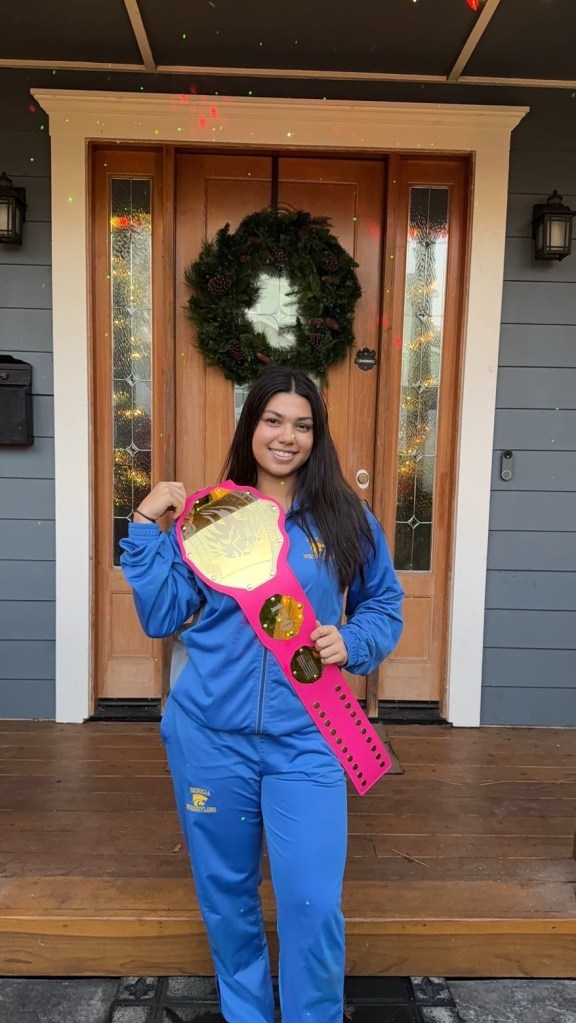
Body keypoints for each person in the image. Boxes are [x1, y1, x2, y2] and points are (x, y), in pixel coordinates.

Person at [120, 367, 403, 1023]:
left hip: (309, 737)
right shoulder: (212, 515)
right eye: (274, 420)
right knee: (227, 899)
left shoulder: (346, 518)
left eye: (302, 425)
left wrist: (352, 640)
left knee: (312, 902)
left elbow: (384, 604)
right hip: (209, 738)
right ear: (251, 426)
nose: (286, 436)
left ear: (317, 436)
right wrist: (143, 524)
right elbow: (162, 614)